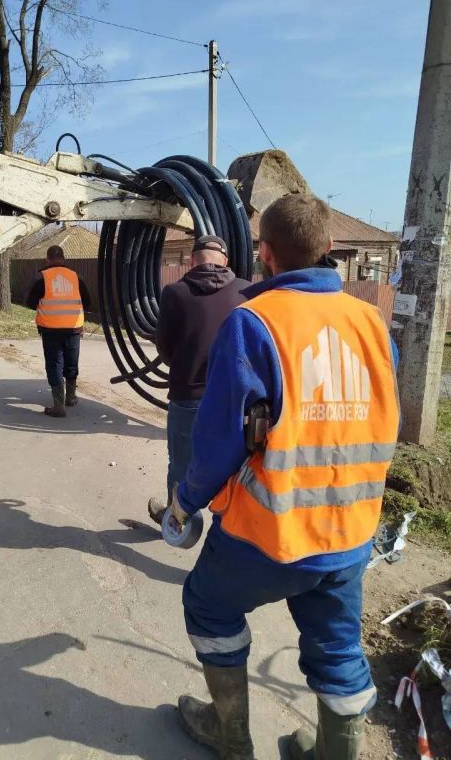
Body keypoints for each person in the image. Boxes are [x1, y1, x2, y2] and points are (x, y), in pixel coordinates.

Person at [170, 194, 400, 760]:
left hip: (269, 535)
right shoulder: (373, 324)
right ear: (328, 249)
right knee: (338, 647)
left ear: (265, 253)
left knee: (208, 605)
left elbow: (221, 437)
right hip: (349, 534)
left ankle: (230, 737)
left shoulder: (253, 323)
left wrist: (185, 501)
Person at [147, 235, 250, 526]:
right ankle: (232, 526)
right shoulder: (245, 291)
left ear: (192, 260)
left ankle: (176, 522)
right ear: (225, 262)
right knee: (233, 465)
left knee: (181, 463)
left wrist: (185, 364)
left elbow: (164, 347)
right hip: (233, 398)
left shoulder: (174, 293)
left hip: (186, 394)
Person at [26, 245, 91, 417]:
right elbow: (88, 302)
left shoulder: (42, 277)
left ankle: (58, 406)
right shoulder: (76, 277)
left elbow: (30, 302)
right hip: (73, 328)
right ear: (63, 259)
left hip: (50, 329)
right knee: (71, 362)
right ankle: (71, 397)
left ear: (47, 259)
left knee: (55, 364)